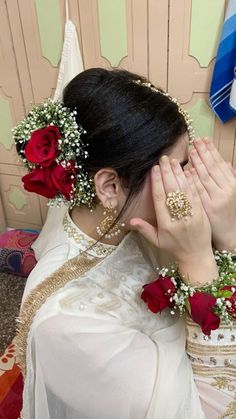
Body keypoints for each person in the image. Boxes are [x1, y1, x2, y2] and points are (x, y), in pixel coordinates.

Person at [14, 68, 235, 418]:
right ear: (110, 187)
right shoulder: (68, 327)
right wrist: (198, 260)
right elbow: (210, 410)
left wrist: (227, 235)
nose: (188, 182)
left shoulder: (128, 228)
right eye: (177, 168)